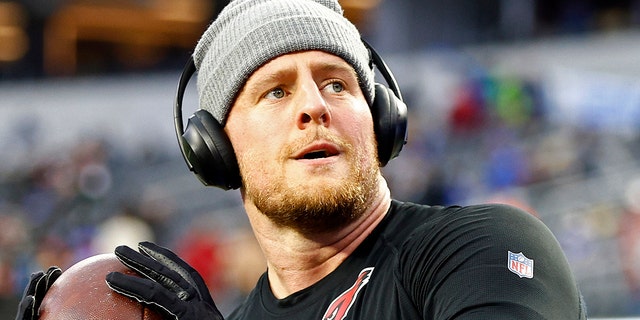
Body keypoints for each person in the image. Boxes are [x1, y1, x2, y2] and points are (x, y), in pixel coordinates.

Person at [16, 0, 587, 319]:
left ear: (382, 117)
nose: (315, 105)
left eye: (338, 84)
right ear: (215, 149)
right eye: (276, 91)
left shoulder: (479, 247)